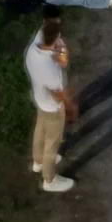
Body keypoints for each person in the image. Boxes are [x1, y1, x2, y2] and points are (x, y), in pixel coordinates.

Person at [25, 14, 77, 193]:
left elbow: (46, 30)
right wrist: (70, 107)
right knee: (52, 143)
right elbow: (59, 93)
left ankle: (37, 162)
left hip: (39, 99)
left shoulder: (33, 49)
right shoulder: (51, 69)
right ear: (55, 38)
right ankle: (49, 179)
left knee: (40, 129)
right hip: (53, 107)